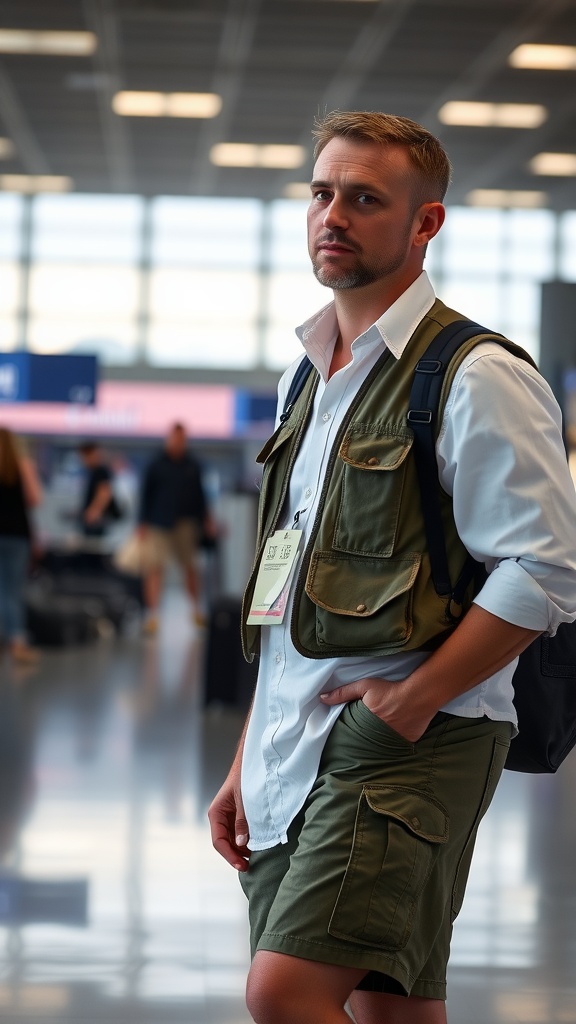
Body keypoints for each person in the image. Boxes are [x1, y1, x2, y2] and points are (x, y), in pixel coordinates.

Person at [208, 110, 576, 1024]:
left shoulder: (473, 372)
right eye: (323, 193)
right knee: (391, 1008)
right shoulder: (313, 375)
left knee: (284, 994)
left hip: (412, 736)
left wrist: (411, 701)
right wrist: (245, 756)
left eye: (366, 199)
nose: (333, 214)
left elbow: (546, 569)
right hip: (297, 741)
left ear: (425, 224)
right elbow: (288, 586)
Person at [138, 422, 215, 633]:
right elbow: (145, 495)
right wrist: (141, 523)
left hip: (186, 523)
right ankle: (152, 616)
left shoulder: (192, 465)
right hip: (158, 523)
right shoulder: (156, 463)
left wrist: (207, 520)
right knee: (154, 568)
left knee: (190, 568)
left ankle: (197, 611)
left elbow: (200, 496)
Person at [0, 427, 43, 663]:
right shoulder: (23, 465)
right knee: (13, 591)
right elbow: (35, 498)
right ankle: (17, 641)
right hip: (17, 535)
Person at [78, 441, 117, 538]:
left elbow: (104, 494)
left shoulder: (101, 471)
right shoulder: (94, 471)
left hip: (96, 521)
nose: (83, 461)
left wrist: (93, 512)